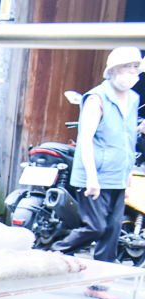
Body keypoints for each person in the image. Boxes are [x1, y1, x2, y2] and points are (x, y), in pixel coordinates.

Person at [53, 45, 145, 286]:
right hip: (96, 173)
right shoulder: (96, 98)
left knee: (112, 230)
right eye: (127, 67)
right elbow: (86, 138)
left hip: (117, 174)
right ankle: (56, 253)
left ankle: (100, 282)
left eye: (136, 67)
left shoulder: (133, 99)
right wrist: (92, 178)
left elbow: (124, 137)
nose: (132, 73)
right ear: (113, 69)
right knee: (96, 227)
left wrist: (127, 175)